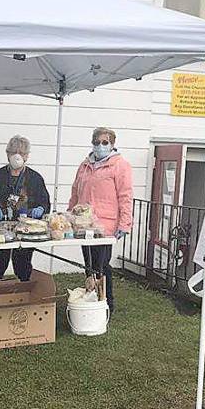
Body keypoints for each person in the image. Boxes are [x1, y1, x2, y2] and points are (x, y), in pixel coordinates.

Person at [68, 127, 132, 313]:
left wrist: (125, 223)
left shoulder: (120, 165)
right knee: (89, 264)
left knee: (101, 265)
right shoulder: (85, 165)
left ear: (112, 144)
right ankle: (92, 297)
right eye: (97, 142)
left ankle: (107, 302)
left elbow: (125, 196)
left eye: (105, 142)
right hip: (83, 224)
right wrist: (69, 216)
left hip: (105, 225)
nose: (100, 146)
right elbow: (75, 192)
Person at [0, 135, 50, 281]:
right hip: (1, 229)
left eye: (21, 153)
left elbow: (45, 202)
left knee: (23, 265)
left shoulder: (35, 178)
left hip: (25, 229)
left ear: (26, 156)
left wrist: (40, 209)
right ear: (7, 154)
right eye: (13, 152)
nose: (17, 156)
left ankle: (26, 294)